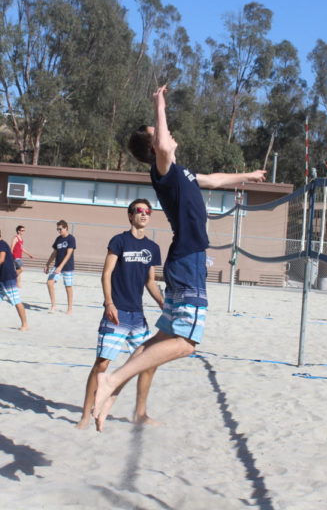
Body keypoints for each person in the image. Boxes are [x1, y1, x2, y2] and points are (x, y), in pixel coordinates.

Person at [92, 84, 266, 427]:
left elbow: (213, 181)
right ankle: (110, 380)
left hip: (186, 259)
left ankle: (112, 393)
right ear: (155, 146)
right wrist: (159, 102)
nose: (167, 135)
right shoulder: (163, 169)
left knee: (162, 339)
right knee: (187, 342)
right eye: (160, 134)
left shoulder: (181, 172)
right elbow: (161, 142)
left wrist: (247, 175)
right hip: (188, 259)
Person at [76, 198, 164, 431]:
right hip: (117, 313)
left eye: (148, 212)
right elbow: (106, 274)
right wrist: (109, 303)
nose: (144, 214)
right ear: (130, 215)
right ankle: (85, 416)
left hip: (138, 317)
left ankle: (140, 414)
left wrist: (164, 304)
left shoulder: (152, 248)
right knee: (102, 365)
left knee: (148, 364)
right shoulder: (119, 241)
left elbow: (150, 282)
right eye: (139, 211)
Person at [44, 220, 76, 314]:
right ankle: (53, 306)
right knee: (49, 283)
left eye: (60, 229)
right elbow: (54, 253)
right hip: (57, 265)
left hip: (67, 267)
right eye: (57, 229)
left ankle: (70, 308)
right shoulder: (58, 239)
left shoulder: (71, 238)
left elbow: (69, 254)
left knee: (68, 286)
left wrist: (61, 267)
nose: (59, 231)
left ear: (66, 228)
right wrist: (47, 264)